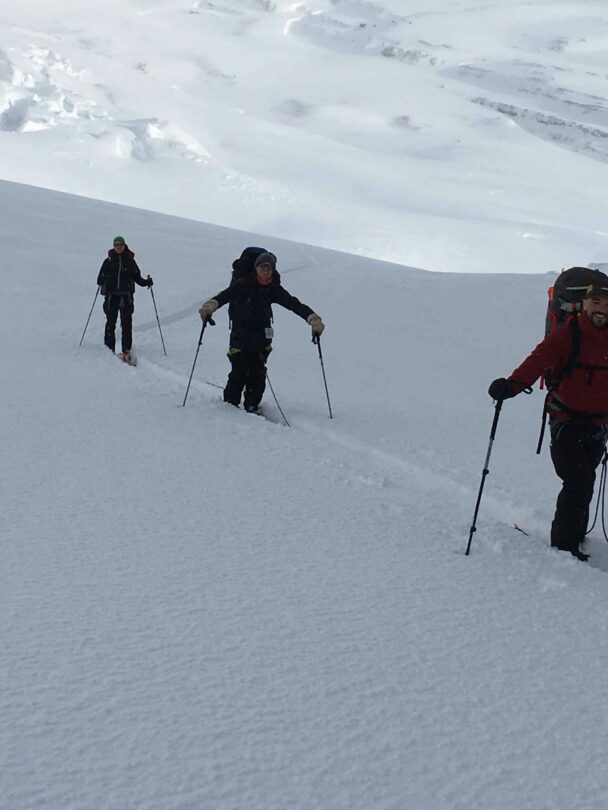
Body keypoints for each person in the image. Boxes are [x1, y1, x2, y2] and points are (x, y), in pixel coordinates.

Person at [488, 282, 608, 561]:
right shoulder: (569, 334)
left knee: (585, 480)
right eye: (597, 303)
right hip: (565, 419)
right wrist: (511, 385)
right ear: (585, 305)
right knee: (577, 481)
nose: (602, 309)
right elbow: (538, 360)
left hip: (598, 424)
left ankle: (575, 535)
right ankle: (564, 548)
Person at [199, 251, 324, 413]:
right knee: (239, 370)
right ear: (256, 267)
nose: (266, 270)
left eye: (269, 268)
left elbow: (294, 304)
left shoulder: (274, 289)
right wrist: (209, 307)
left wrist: (313, 319)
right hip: (241, 334)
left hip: (262, 337)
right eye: (262, 266)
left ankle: (251, 405)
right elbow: (224, 296)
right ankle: (230, 405)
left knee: (258, 372)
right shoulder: (243, 284)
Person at [97, 236, 153, 361]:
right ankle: (108, 347)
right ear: (113, 246)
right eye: (116, 245)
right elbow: (99, 279)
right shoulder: (108, 261)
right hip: (111, 296)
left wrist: (147, 282)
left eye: (120, 244)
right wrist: (103, 279)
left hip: (125, 296)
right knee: (110, 322)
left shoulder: (130, 261)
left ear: (124, 245)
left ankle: (126, 349)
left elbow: (138, 278)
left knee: (126, 323)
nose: (118, 247)